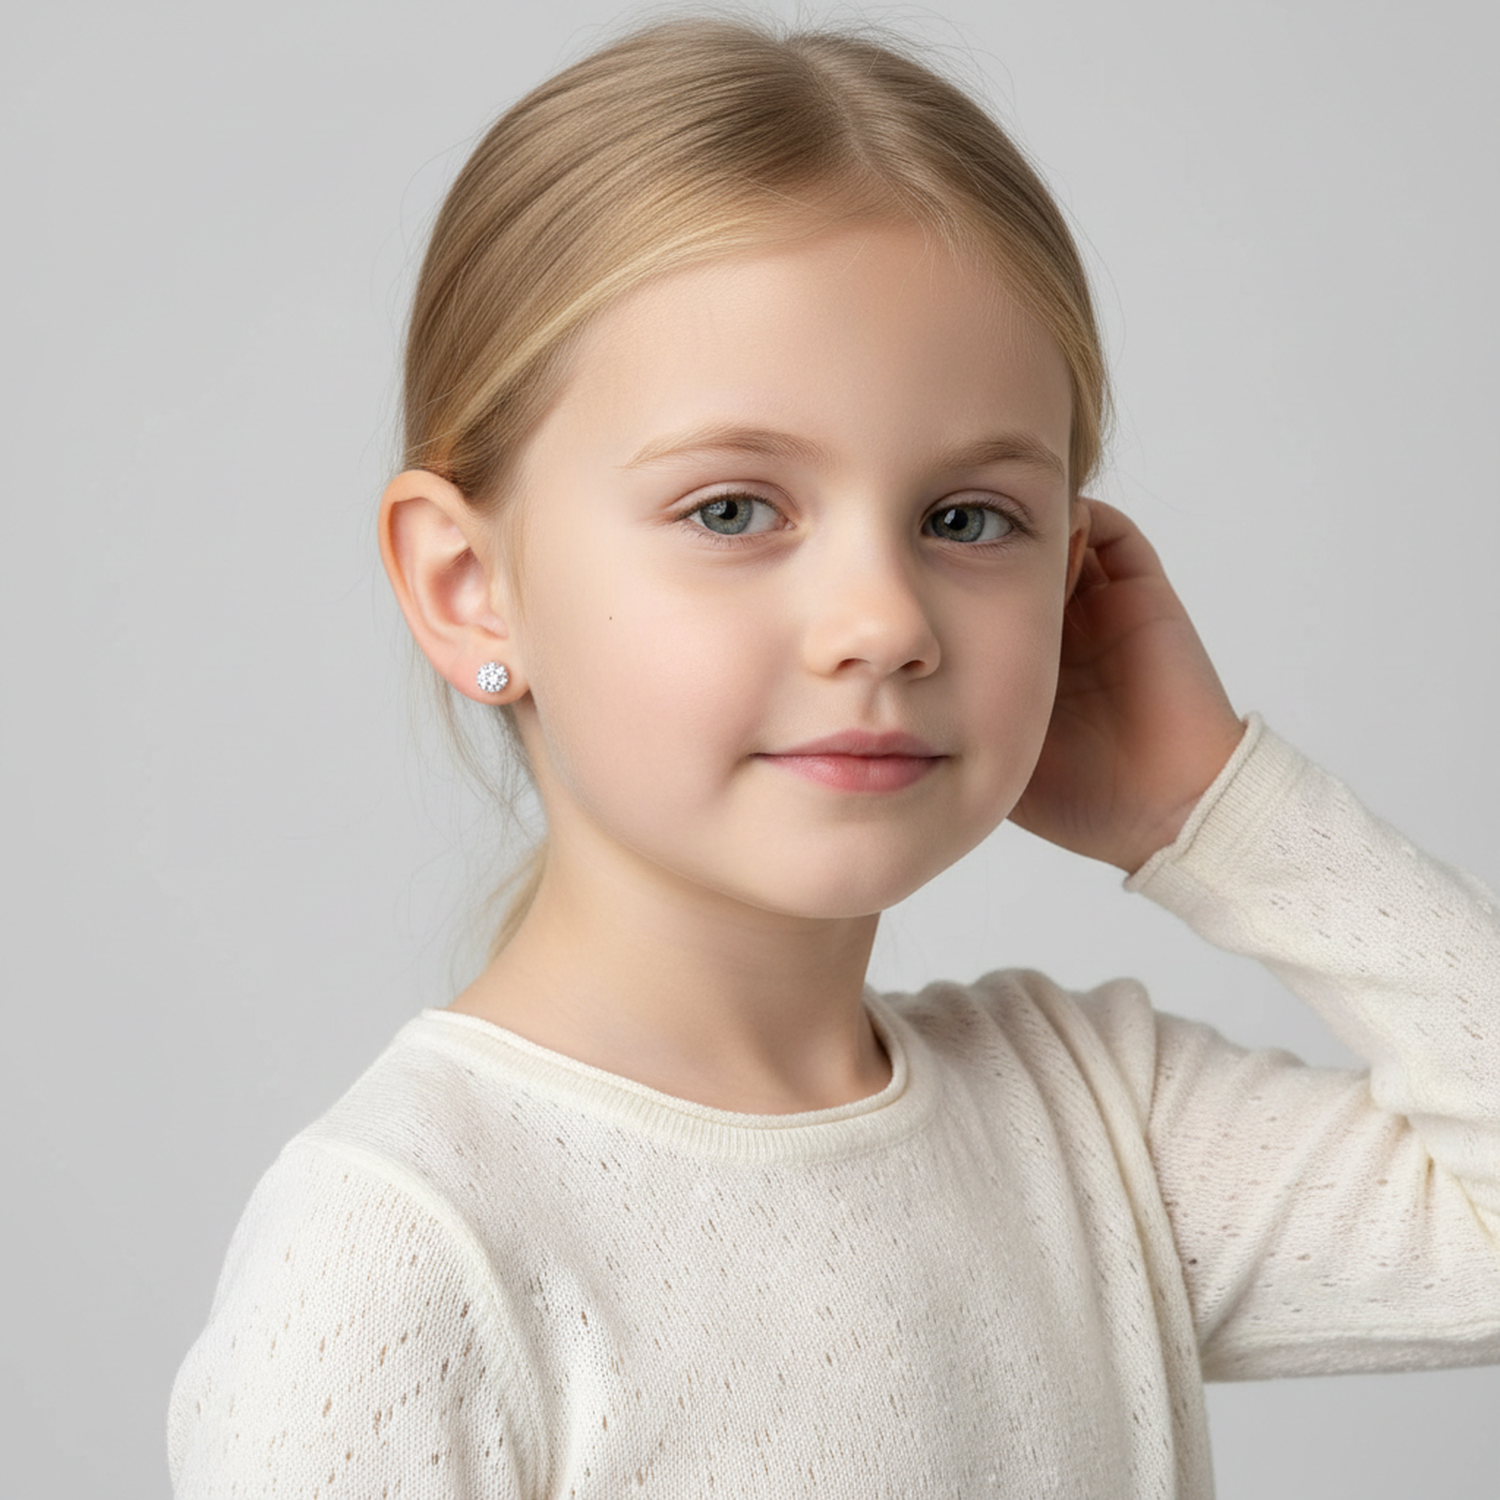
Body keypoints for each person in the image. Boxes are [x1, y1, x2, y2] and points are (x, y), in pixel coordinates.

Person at [166, 15, 1500, 1496]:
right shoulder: (402, 1261)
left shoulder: (1089, 1125)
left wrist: (1215, 810)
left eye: (967, 519)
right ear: (469, 585)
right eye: (733, 510)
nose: (885, 623)